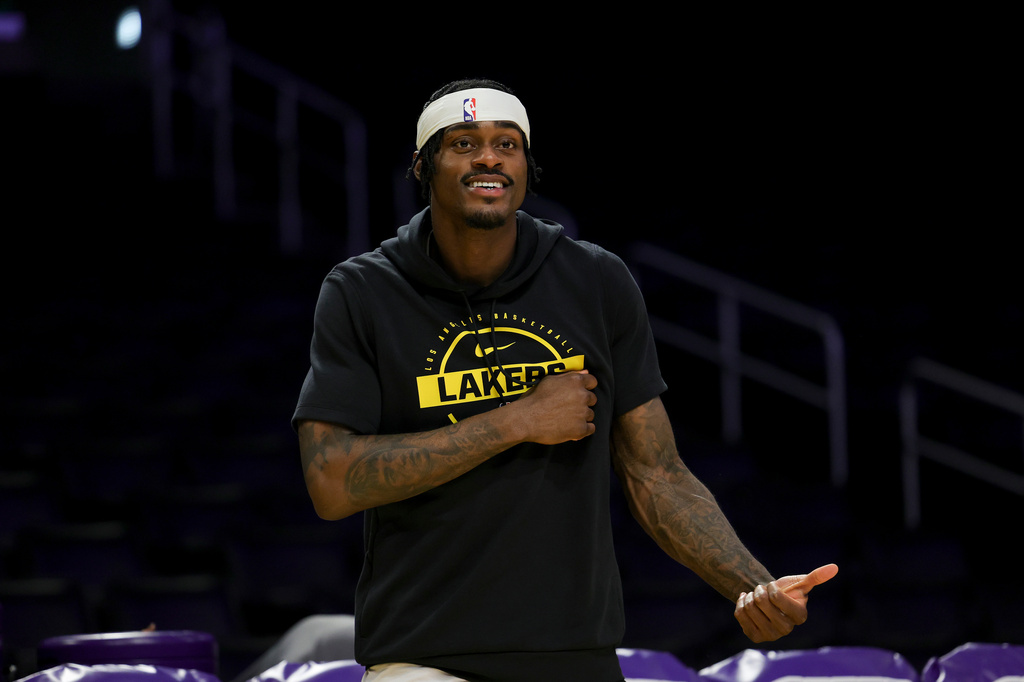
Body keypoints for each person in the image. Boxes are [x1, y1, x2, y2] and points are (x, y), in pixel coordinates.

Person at [291, 78, 838, 682]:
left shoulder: (596, 281)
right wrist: (514, 421)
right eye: (463, 143)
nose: (489, 157)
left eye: (507, 143)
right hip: (423, 656)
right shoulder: (362, 291)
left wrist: (752, 585)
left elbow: (655, 471)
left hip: (576, 657)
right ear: (424, 166)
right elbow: (331, 481)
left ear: (526, 165)